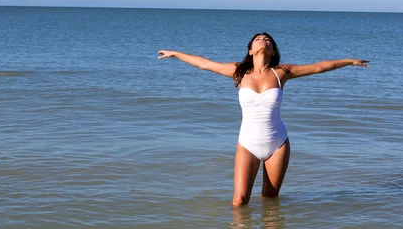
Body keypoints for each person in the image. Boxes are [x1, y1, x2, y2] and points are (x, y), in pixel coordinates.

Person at [158, 32, 369, 206]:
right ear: (250, 50)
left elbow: (318, 67)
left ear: (273, 50)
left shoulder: (282, 72)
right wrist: (176, 54)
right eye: (258, 39)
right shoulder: (239, 72)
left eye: (267, 39)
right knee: (239, 201)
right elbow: (205, 64)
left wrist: (349, 61)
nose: (263, 40)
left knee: (270, 199)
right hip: (248, 144)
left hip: (277, 143)